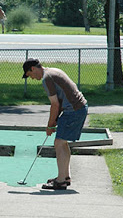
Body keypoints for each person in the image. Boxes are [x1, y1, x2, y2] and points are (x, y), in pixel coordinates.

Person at [22, 58, 88, 190]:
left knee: (59, 143)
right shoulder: (53, 71)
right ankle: (65, 176)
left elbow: (55, 104)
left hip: (74, 110)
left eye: (30, 75)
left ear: (33, 69)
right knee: (62, 142)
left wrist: (50, 125)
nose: (33, 78)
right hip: (79, 108)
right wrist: (55, 121)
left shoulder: (47, 79)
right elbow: (62, 99)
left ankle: (61, 181)